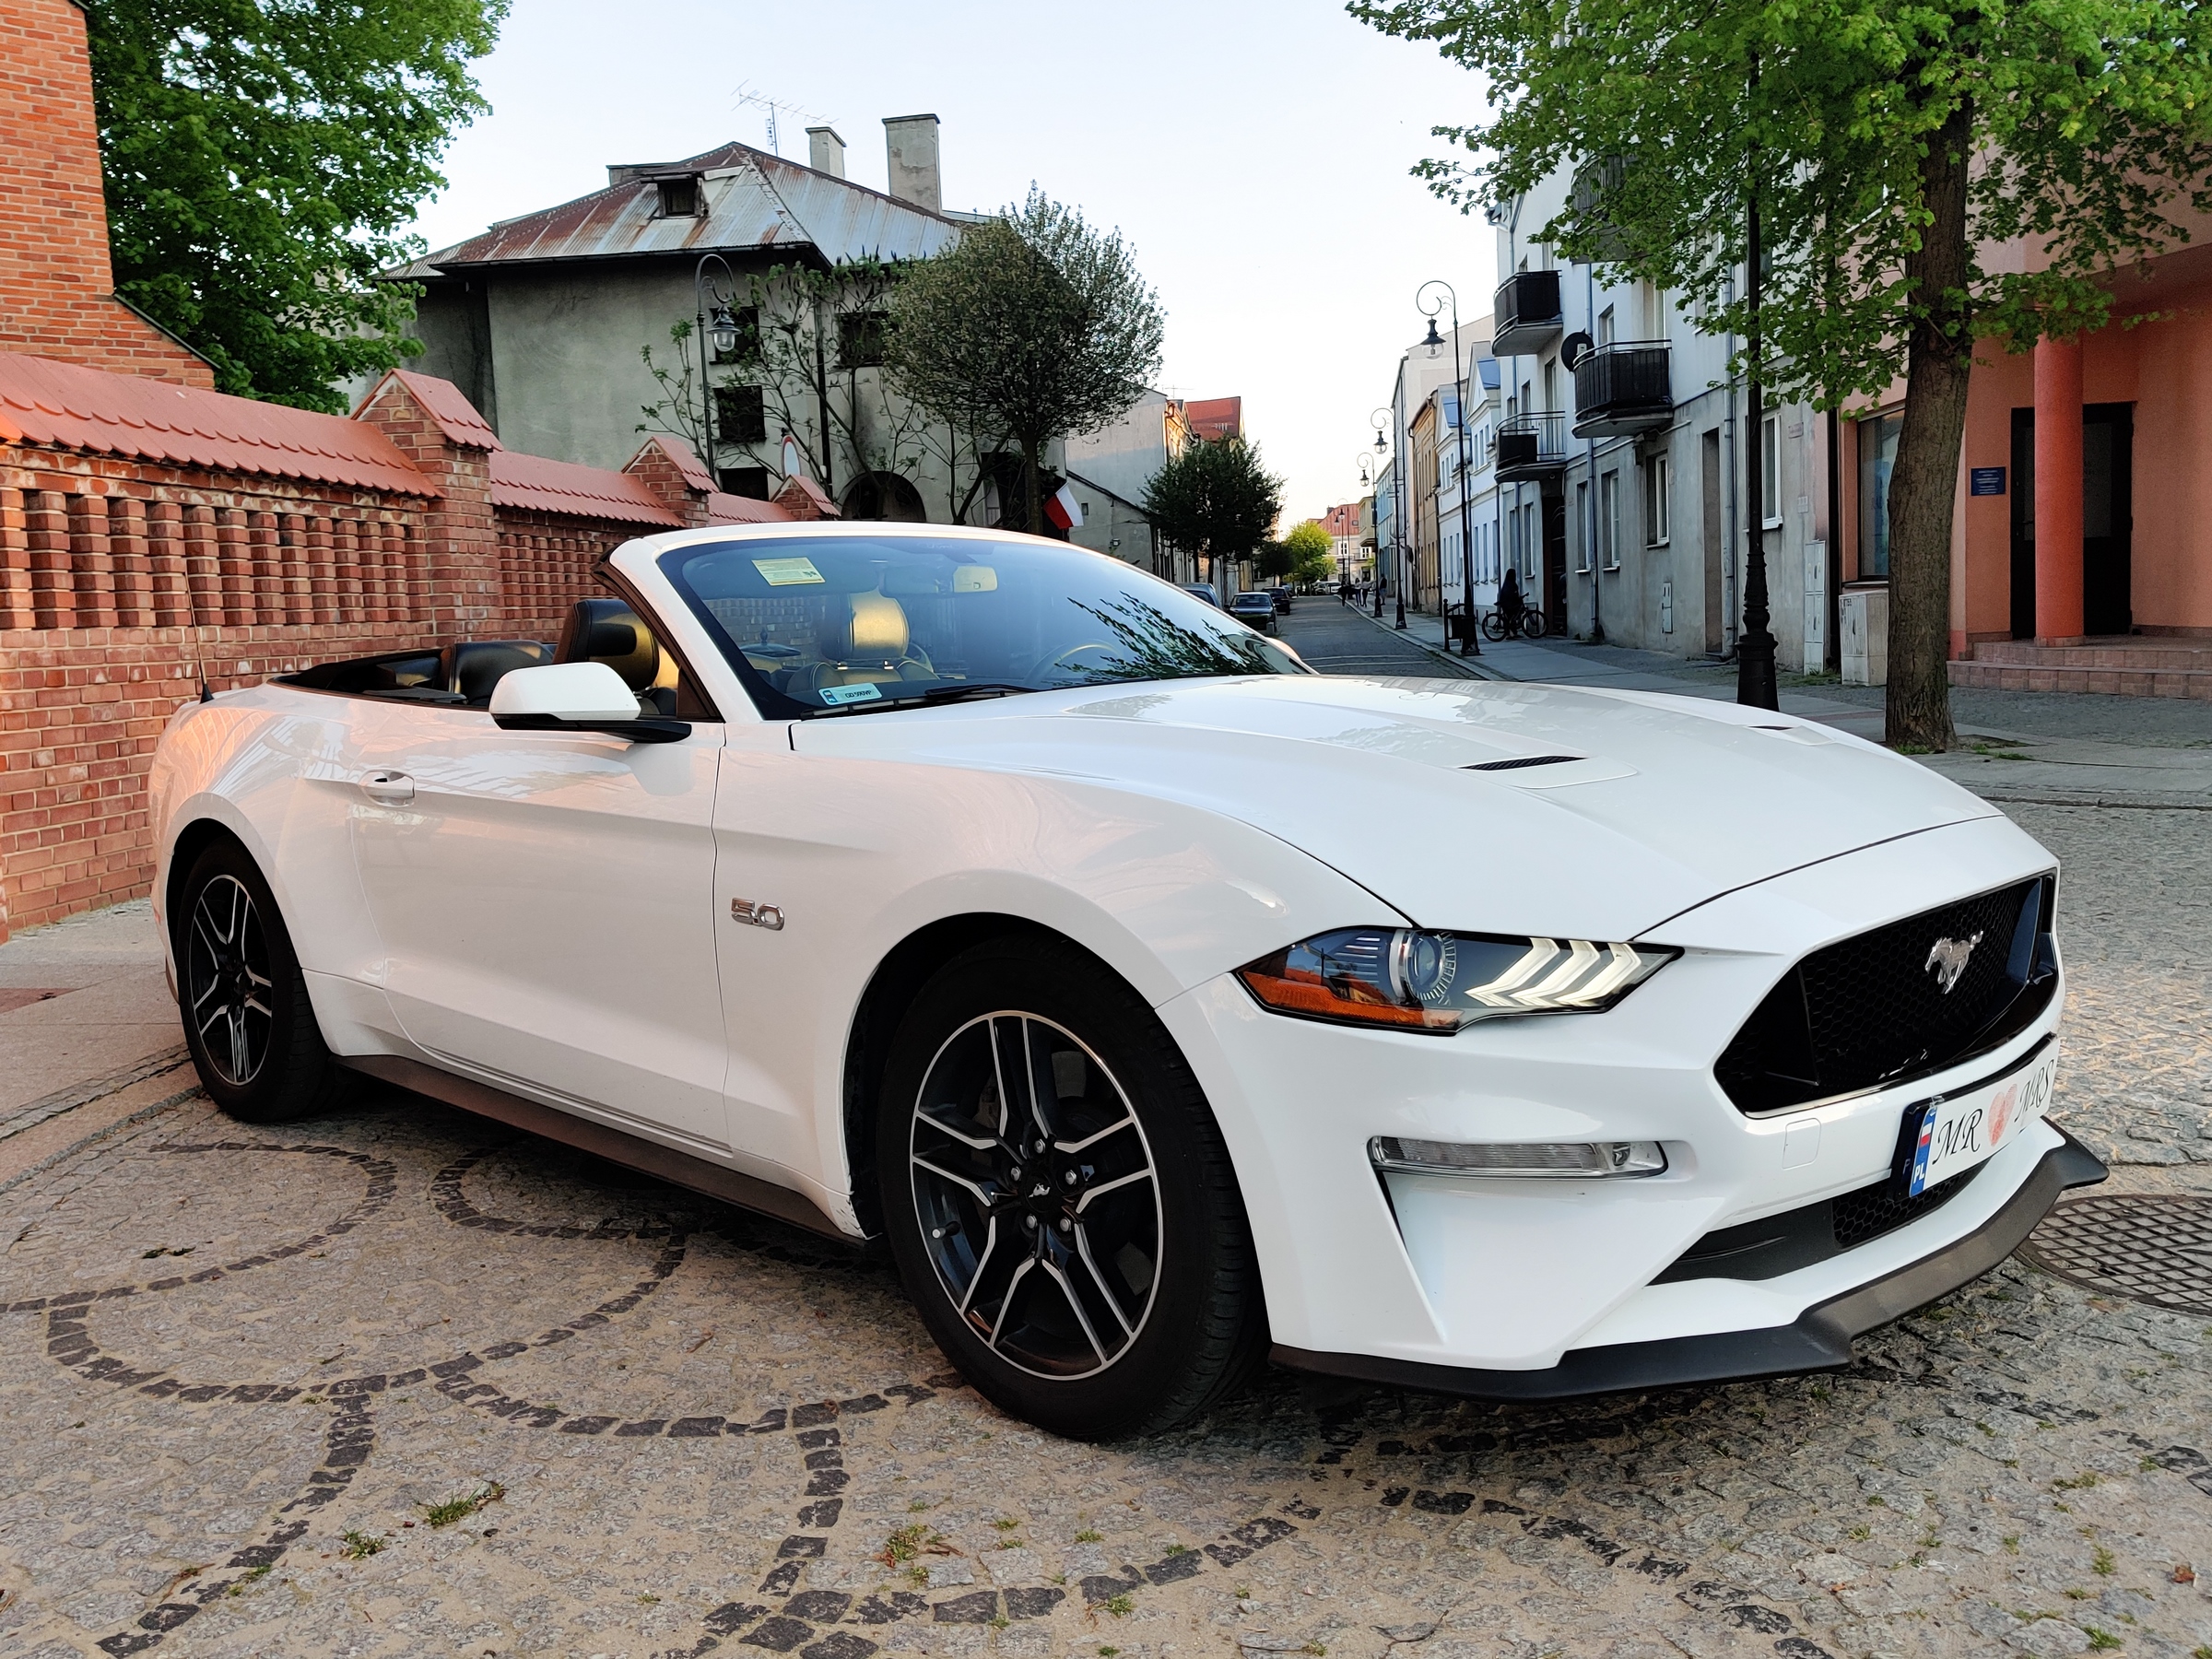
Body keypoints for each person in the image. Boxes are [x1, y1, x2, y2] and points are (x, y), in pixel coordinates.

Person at [1499, 565, 1526, 633]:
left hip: (1507, 603)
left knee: (1511, 618)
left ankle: (1514, 632)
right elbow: (1511, 594)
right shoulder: (1510, 584)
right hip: (1508, 604)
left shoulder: (1508, 583)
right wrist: (1517, 598)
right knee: (1510, 618)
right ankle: (1508, 633)